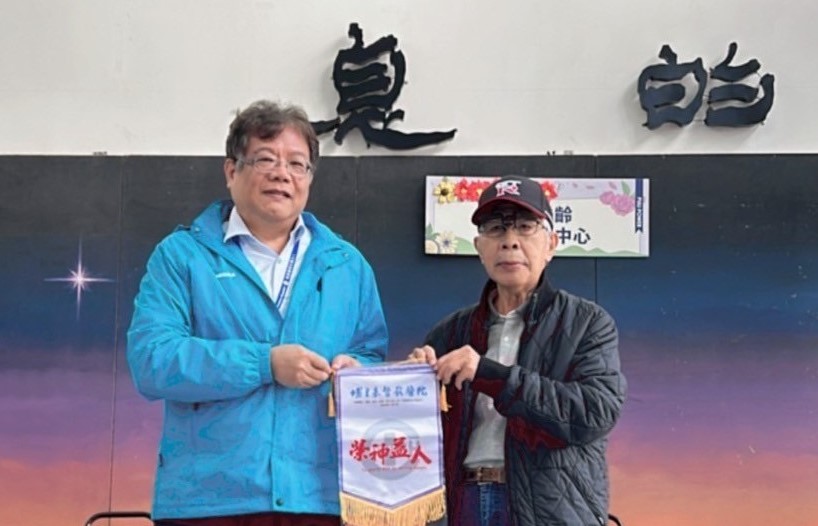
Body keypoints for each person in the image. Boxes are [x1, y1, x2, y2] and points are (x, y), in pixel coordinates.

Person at [127, 100, 388, 526]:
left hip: (318, 499)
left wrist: (357, 374)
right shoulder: (182, 257)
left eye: (297, 164)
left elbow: (371, 355)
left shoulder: (347, 265)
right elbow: (152, 361)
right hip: (208, 501)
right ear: (232, 171)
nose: (282, 173)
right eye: (265, 159)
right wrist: (264, 364)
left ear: (309, 178)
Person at [410, 175, 627, 526]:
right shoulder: (450, 332)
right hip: (463, 503)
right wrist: (414, 381)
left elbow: (594, 413)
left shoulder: (587, 323)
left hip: (547, 511)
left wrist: (491, 375)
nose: (509, 241)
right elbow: (419, 432)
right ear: (479, 247)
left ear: (551, 244)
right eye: (495, 229)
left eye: (525, 227)